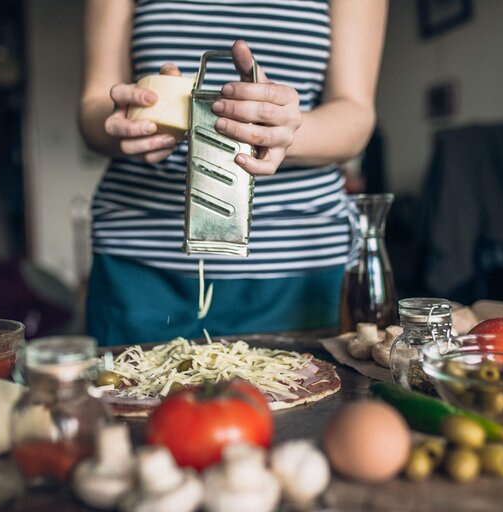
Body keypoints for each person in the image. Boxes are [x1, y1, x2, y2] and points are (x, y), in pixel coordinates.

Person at [79, 0, 387, 345]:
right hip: (139, 267)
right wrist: (125, 123)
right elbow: (93, 107)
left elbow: (356, 116)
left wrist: (284, 133)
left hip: (295, 265)